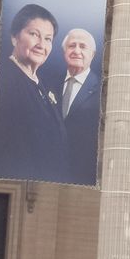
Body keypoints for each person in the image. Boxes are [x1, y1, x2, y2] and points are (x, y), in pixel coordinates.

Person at [0, 4, 69, 183]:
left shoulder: (43, 86)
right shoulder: (3, 78)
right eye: (34, 34)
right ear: (14, 37)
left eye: (48, 39)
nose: (41, 45)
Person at [52, 26, 103, 183]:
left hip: (83, 169)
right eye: (72, 45)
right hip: (46, 165)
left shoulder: (102, 89)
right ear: (64, 51)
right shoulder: (49, 83)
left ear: (92, 54)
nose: (76, 51)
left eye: (82, 46)